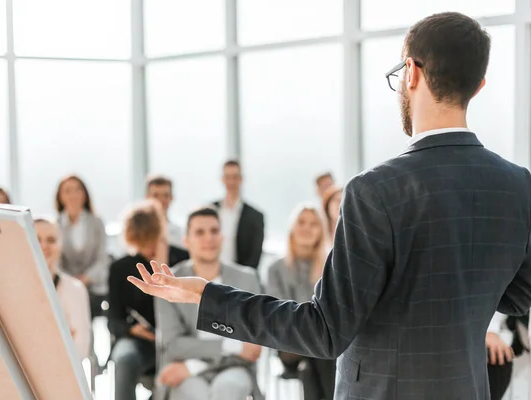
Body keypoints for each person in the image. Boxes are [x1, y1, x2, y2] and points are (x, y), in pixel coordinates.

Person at [128, 12, 531, 399]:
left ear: (411, 72)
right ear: (478, 86)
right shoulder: (518, 185)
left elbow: (323, 331)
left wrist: (207, 296)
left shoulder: (375, 191)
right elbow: (519, 296)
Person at [154, 207, 262, 400]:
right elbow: (173, 345)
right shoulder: (169, 281)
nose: (208, 238)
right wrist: (233, 346)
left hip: (232, 370)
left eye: (214, 231)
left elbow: (252, 348)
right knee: (195, 394)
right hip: (181, 370)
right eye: (199, 232)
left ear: (222, 236)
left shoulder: (247, 279)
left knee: (227, 390)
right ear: (186, 240)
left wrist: (195, 366)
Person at [108, 200, 189, 400]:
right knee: (124, 359)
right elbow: (114, 318)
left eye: (152, 239)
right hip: (141, 341)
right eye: (142, 242)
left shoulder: (183, 260)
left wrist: (162, 268)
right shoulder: (121, 268)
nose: (149, 248)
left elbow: (186, 310)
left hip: (178, 340)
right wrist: (131, 329)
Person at [267, 204, 335, 400]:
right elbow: (277, 312)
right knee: (321, 353)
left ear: (321, 230)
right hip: (289, 342)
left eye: (314, 223)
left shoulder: (330, 267)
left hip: (321, 343)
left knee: (315, 362)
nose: (307, 227)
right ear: (292, 228)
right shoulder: (276, 269)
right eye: (301, 222)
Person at [34, 218, 91, 360]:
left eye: (51, 240)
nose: (43, 245)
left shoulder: (75, 289)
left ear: (60, 246)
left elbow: (80, 349)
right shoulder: (13, 288)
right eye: (36, 239)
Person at [55, 175, 110, 319]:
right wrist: (71, 282)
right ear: (60, 196)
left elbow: (102, 259)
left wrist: (85, 279)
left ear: (85, 194)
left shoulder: (96, 223)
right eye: (67, 191)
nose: (73, 195)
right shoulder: (55, 225)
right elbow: (55, 261)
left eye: (77, 190)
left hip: (93, 287)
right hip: (64, 286)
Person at [212, 160, 265, 269]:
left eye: (235, 177)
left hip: (240, 277)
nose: (231, 182)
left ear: (241, 179)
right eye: (228, 177)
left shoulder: (256, 216)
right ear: (222, 179)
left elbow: (255, 255)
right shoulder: (210, 211)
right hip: (210, 274)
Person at [145, 175, 184, 248]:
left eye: (166, 195)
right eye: (156, 195)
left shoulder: (180, 233)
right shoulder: (135, 232)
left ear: (172, 198)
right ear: (147, 197)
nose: (161, 200)